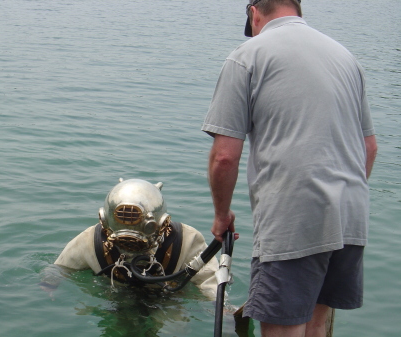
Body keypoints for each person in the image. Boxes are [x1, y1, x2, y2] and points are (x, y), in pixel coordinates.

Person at [201, 0, 378, 336]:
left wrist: (221, 216)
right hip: (350, 217)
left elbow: (224, 156)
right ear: (297, 8)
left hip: (294, 220)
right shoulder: (345, 57)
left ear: (253, 12)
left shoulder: (248, 55)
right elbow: (369, 147)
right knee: (316, 326)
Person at [40, 178, 219, 301]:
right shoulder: (91, 241)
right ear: (104, 222)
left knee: (176, 328)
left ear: (162, 224)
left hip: (167, 299)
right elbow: (60, 267)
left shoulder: (185, 240)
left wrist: (220, 304)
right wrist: (49, 284)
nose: (130, 242)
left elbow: (211, 278)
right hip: (115, 297)